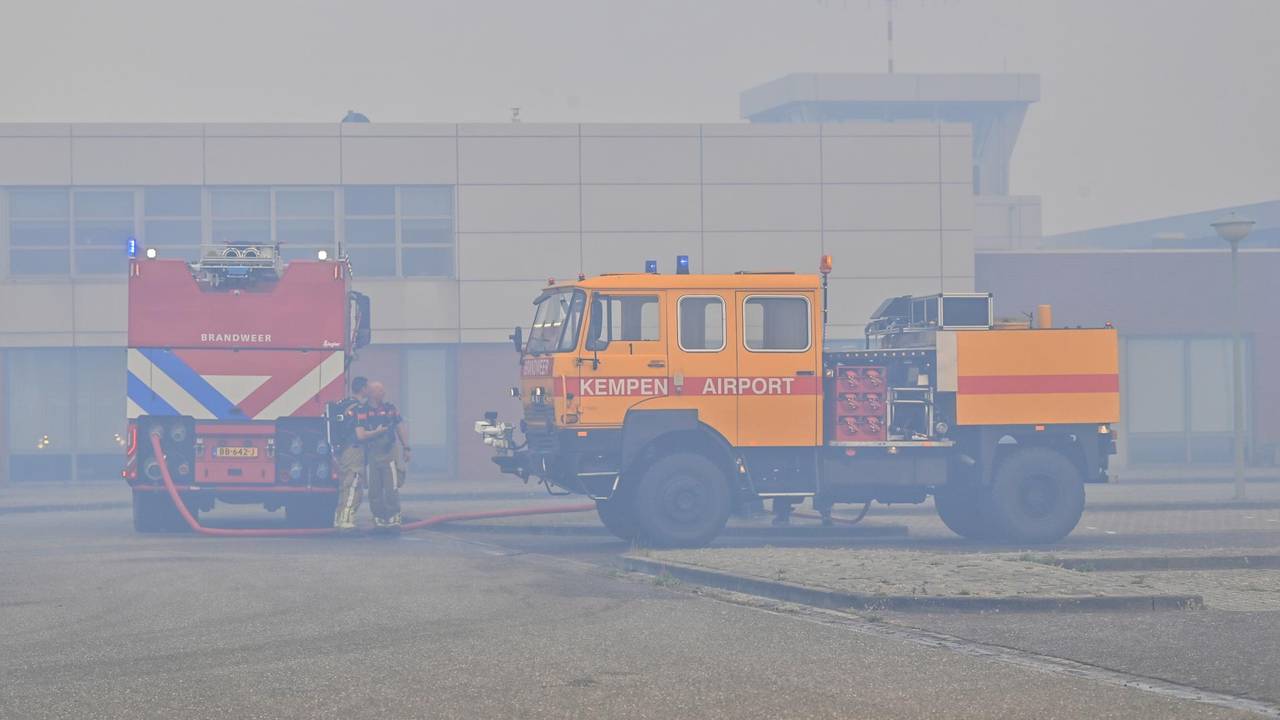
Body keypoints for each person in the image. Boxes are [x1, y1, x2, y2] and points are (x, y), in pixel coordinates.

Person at [358, 381, 410, 530]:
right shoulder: (363, 410)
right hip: (372, 454)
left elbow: (400, 427)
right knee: (374, 488)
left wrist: (407, 448)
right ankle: (379, 517)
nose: (383, 394)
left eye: (383, 391)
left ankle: (393, 516)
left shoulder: (390, 409)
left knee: (391, 486)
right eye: (380, 391)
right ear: (371, 393)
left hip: (389, 453)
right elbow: (360, 432)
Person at [332, 376, 370, 531]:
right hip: (354, 450)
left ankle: (340, 518)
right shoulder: (358, 408)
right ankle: (345, 520)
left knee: (346, 485)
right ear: (362, 388)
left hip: (344, 450)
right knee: (353, 485)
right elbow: (361, 435)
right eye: (367, 387)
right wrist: (378, 431)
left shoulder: (344, 405)